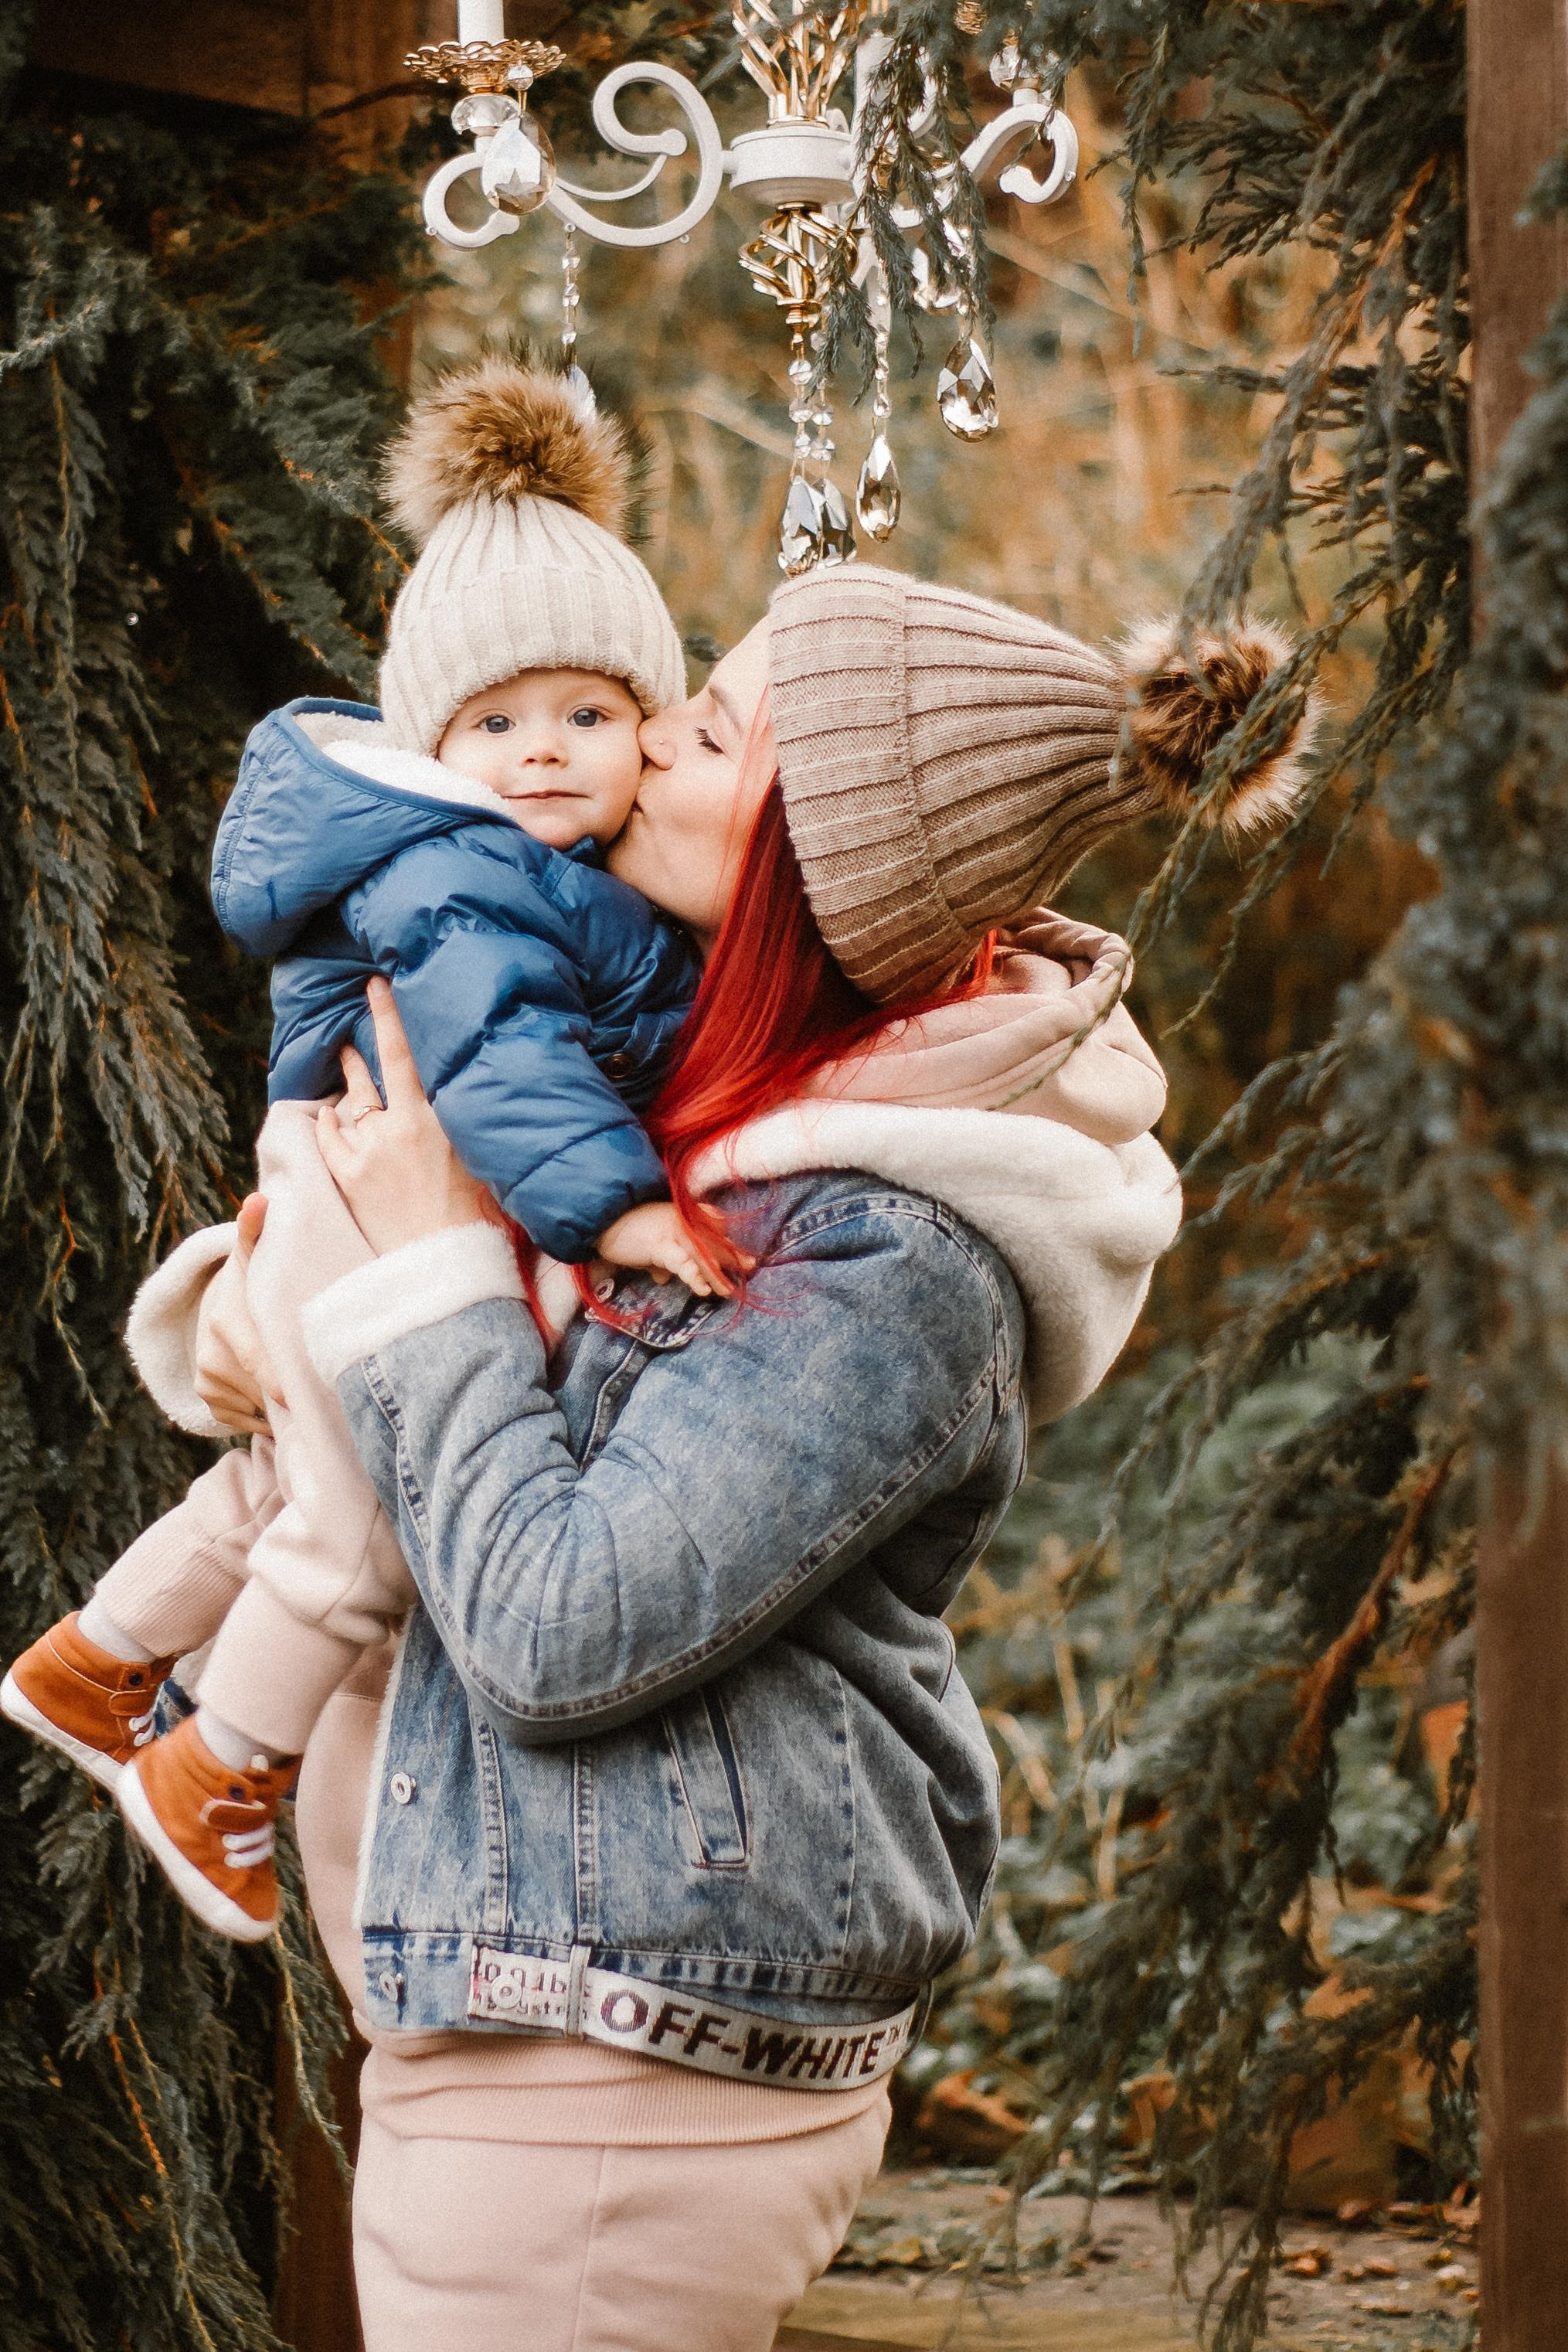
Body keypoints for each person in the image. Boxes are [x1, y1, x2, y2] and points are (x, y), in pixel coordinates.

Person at [104, 558, 1311, 2351]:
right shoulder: (701, 1086)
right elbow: (490, 1346)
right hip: (539, 2033)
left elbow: (560, 1624)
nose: (653, 734)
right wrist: (284, 1294)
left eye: (719, 729)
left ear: (820, 864)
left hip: (613, 2087)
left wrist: (416, 1279)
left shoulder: (888, 1254)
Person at [1, 361, 717, 1942]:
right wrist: (615, 1209)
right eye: (496, 721)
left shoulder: (516, 861)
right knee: (368, 1519)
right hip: (361, 1180)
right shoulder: (461, 872)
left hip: (341, 1172)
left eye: (589, 715)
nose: (543, 751)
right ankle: (223, 1763)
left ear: (649, 729)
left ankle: (99, 1659)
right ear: (431, 739)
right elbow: (497, 1047)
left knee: (292, 1468)